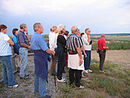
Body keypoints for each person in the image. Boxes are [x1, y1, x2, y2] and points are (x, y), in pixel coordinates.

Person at [31, 23, 55, 98]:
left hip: (36, 56)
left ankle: (36, 90)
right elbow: (46, 49)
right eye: (42, 27)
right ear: (38, 28)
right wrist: (52, 52)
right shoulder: (39, 37)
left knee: (37, 73)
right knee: (42, 75)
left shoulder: (33, 36)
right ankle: (42, 95)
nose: (43, 28)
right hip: (41, 57)